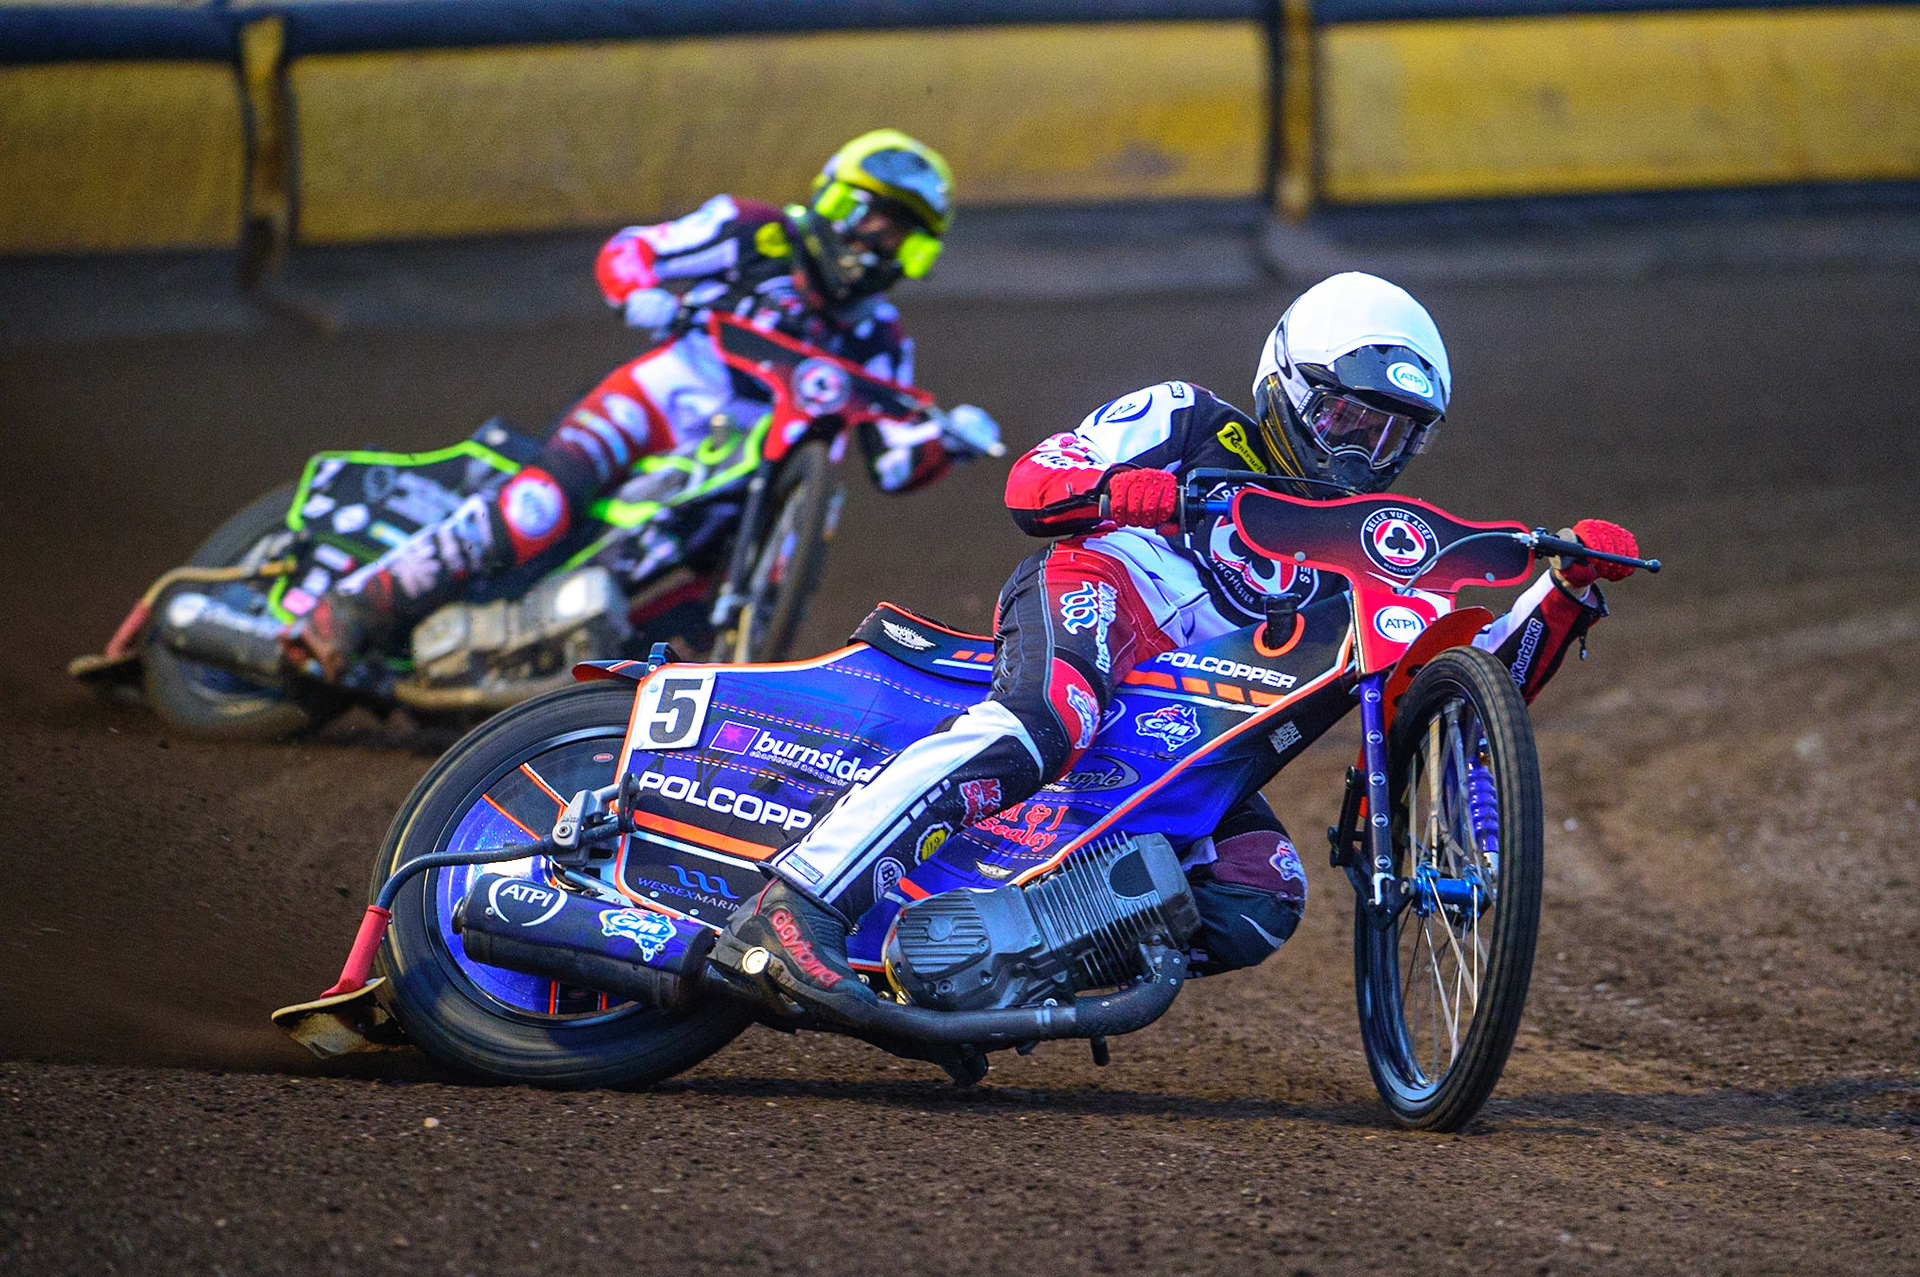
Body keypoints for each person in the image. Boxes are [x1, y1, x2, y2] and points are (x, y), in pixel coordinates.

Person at [716, 271, 1642, 1023]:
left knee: (1262, 891)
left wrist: (1563, 594)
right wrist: (1128, 491)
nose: (1361, 452)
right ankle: (797, 898)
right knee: (1049, 715)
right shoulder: (1189, 416)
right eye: (1343, 419)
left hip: (1192, 731)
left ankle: (983, 967)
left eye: (1392, 434)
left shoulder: (1375, 550)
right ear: (1285, 382)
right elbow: (1036, 482)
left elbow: (1456, 697)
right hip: (1104, 594)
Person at [289, 129, 975, 680]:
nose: (880, 246)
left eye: (902, 238)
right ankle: (352, 608)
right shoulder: (755, 230)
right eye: (877, 222)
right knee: (538, 507)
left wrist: (946, 443)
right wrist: (642, 289)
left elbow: (893, 462)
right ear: (838, 202)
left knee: (705, 596)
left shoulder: (879, 335)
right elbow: (633, 249)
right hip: (667, 394)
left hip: (746, 472)